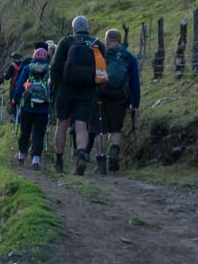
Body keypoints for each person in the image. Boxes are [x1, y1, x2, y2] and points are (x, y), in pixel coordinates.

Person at [50, 15, 106, 175]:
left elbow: (55, 66)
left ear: (73, 29)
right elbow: (102, 70)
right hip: (87, 91)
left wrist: (54, 85)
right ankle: (81, 154)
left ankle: (59, 162)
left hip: (64, 89)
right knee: (82, 124)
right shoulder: (97, 44)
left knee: (62, 123)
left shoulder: (66, 42)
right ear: (88, 28)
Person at [89, 28, 141, 174]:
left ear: (107, 40)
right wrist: (135, 104)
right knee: (116, 129)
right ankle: (113, 155)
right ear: (119, 40)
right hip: (120, 98)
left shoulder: (101, 54)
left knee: (100, 130)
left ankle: (100, 163)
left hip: (101, 96)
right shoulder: (129, 57)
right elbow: (135, 83)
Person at [13, 48, 51, 170]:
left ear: (34, 56)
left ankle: (21, 155)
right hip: (43, 108)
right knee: (39, 134)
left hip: (27, 106)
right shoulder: (49, 69)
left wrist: (16, 99)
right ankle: (36, 160)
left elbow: (19, 85)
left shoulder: (27, 68)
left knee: (25, 131)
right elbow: (53, 88)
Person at [3, 52, 23, 121]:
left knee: (13, 101)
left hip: (14, 86)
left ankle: (14, 118)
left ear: (14, 58)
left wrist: (5, 75)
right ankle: (20, 118)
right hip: (22, 86)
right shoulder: (23, 65)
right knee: (21, 102)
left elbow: (7, 77)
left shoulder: (13, 66)